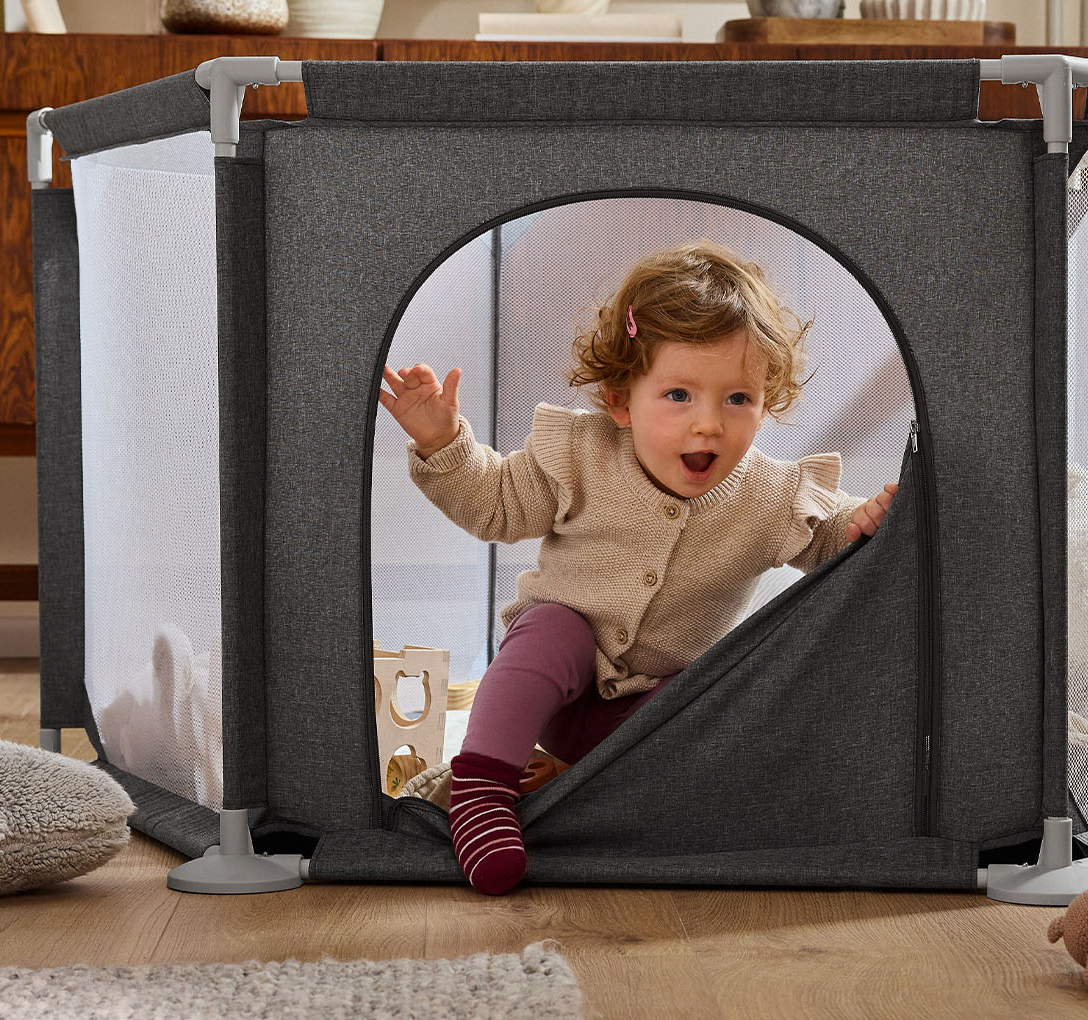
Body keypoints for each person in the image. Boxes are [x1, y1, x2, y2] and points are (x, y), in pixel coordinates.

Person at [380, 240, 898, 894]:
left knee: (721, 705)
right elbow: (495, 507)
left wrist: (868, 522)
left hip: (650, 718)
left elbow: (829, 539)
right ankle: (483, 789)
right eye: (679, 394)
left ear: (767, 403)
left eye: (738, 398)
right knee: (550, 630)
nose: (707, 424)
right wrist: (441, 442)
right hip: (553, 693)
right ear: (622, 400)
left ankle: (594, 802)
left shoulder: (771, 494)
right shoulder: (578, 454)